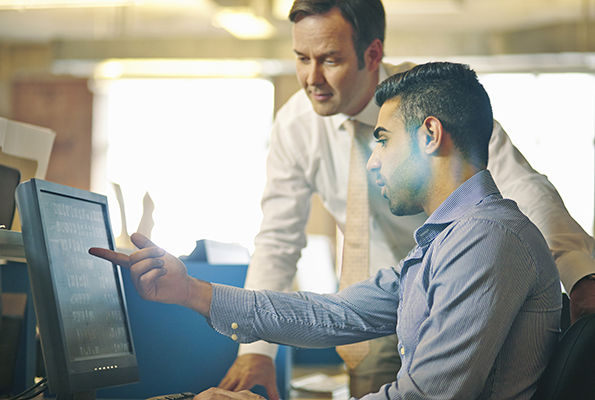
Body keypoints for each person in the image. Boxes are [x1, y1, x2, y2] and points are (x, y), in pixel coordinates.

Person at [90, 61, 563, 400]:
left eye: (382, 140)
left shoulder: (486, 239)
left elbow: (427, 396)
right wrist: (191, 290)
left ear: (430, 135)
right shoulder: (447, 240)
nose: (373, 159)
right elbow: (332, 316)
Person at [217, 0, 595, 398]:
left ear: (372, 53)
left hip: (469, 280)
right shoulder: (296, 125)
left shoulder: (429, 103)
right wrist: (256, 348)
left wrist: (581, 275)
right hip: (388, 298)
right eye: (301, 58)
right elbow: (278, 240)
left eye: (330, 59)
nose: (312, 78)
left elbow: (523, 190)